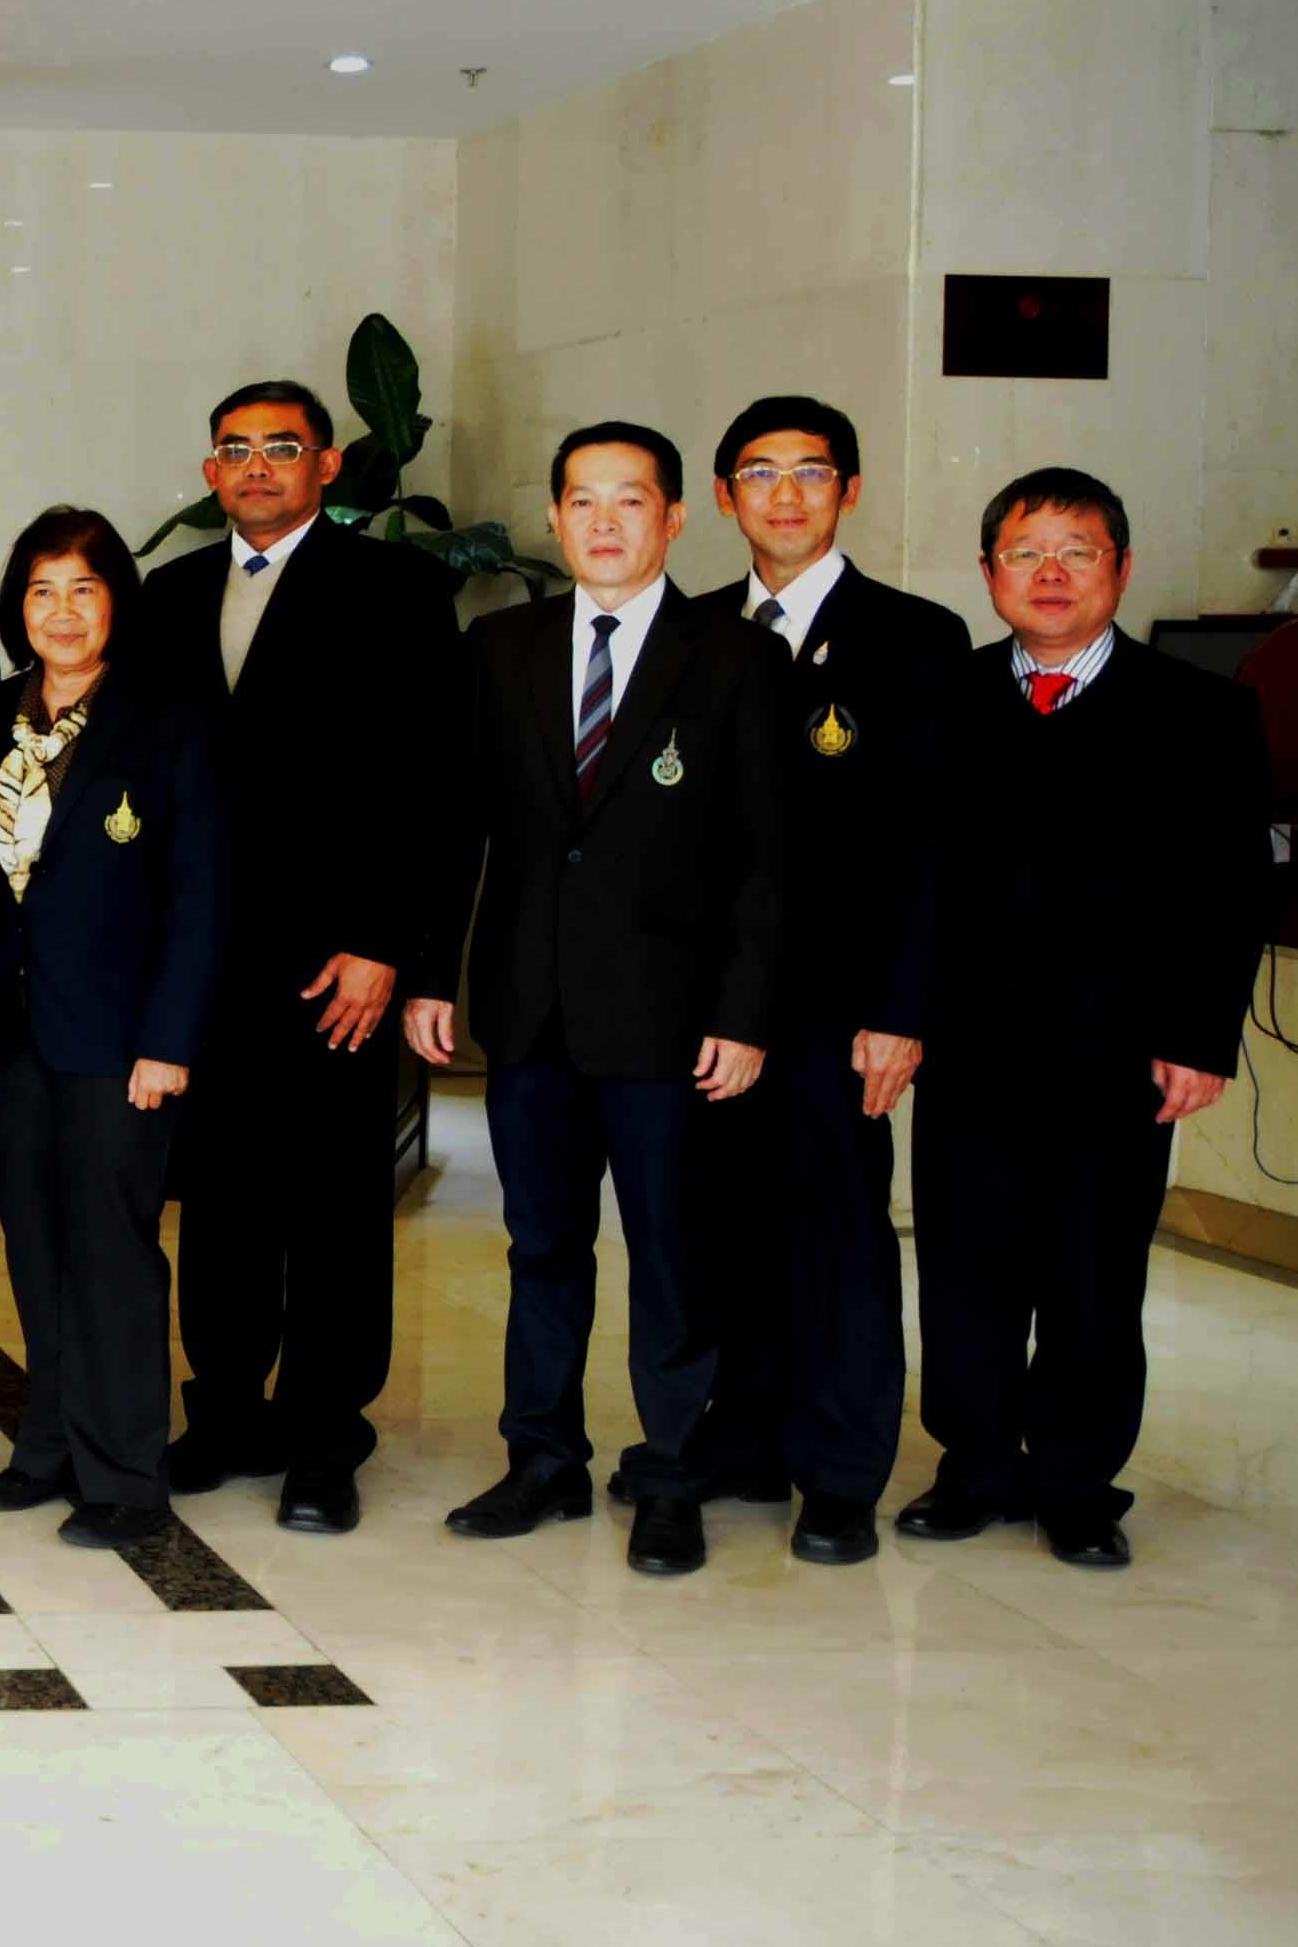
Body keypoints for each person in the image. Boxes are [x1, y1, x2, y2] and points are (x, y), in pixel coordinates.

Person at [405, 423, 787, 1577]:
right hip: (530, 1013)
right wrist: (429, 973)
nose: (605, 521)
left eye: (630, 500)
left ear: (674, 517)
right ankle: (542, 1458)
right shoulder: (500, 648)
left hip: (672, 1025)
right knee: (540, 1247)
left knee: (670, 1255)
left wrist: (745, 1012)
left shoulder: (734, 657)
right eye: (582, 500)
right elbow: (450, 828)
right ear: (556, 517)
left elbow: (766, 857)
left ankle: (669, 1472)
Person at [900, 468, 1270, 1570]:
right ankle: (974, 1466)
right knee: (965, 1268)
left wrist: (1200, 1036)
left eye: (1078, 551)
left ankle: (1075, 1483)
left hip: (1119, 1052)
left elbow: (1230, 889)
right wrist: (899, 1015)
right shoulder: (944, 697)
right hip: (970, 1048)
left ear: (1121, 567)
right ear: (988, 573)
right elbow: (909, 876)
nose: (1050, 573)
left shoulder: (1201, 709)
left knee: (1094, 1275)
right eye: (1025, 553)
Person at [132, 382, 462, 1536]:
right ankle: (225, 1410)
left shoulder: (396, 587)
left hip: (336, 963)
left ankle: (325, 1431)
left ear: (326, 463)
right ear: (210, 470)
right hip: (203, 962)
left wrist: (390, 944)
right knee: (220, 1196)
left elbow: (432, 781)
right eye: (236, 449)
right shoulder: (168, 594)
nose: (258, 466)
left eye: (282, 446)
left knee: (332, 1201)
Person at [692, 396, 967, 1566]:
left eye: (810, 472)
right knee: (724, 1226)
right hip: (709, 1001)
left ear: (849, 490)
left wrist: (900, 1010)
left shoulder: (914, 637)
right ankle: (744, 1436)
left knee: (838, 1232)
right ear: (724, 497)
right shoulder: (694, 629)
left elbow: (932, 846)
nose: (786, 495)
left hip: (837, 1006)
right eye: (760, 473)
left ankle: (842, 1471)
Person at [0, 509, 228, 1548]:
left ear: (116, 604)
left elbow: (200, 895)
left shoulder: (169, 722)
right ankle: (49, 1443)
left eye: (83, 589)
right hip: (12, 1029)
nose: (60, 612)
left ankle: (126, 1477)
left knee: (113, 1250)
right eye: (41, 590)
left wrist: (170, 1041)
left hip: (122, 1039)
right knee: (34, 1241)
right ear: (17, 605)